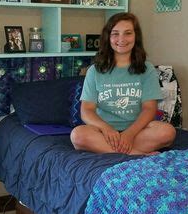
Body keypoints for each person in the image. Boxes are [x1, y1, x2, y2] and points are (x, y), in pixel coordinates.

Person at [71, 12, 176, 155]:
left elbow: (149, 109)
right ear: (108, 37)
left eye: (128, 33)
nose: (121, 39)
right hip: (104, 133)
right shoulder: (94, 71)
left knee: (167, 132)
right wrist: (106, 129)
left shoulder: (147, 69)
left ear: (135, 36)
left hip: (138, 131)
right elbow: (87, 110)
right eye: (115, 34)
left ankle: (118, 150)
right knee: (78, 135)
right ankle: (136, 154)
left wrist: (129, 134)